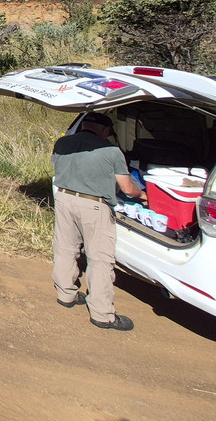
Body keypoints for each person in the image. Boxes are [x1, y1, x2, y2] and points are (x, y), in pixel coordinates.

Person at [52, 112, 146, 331]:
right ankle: (102, 314)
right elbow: (127, 188)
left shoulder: (63, 142)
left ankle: (66, 294)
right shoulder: (111, 151)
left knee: (65, 248)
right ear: (105, 131)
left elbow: (57, 166)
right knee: (100, 258)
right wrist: (143, 195)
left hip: (64, 198)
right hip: (94, 205)